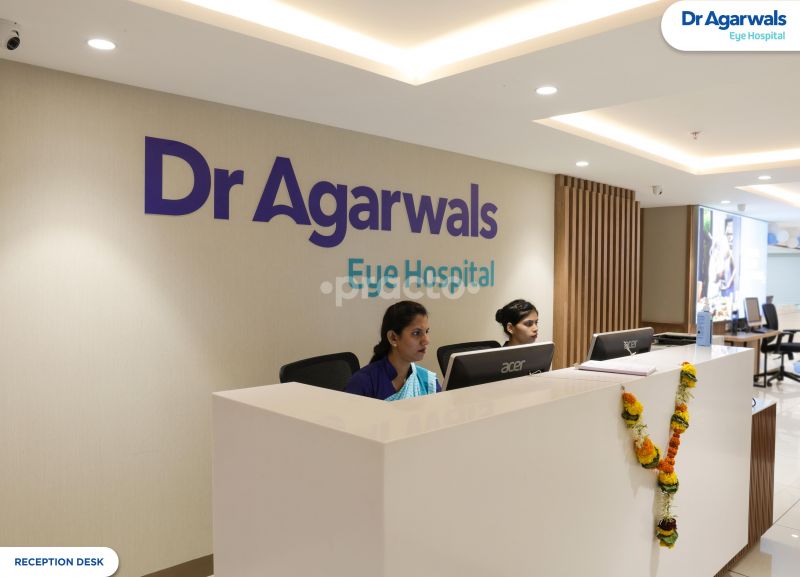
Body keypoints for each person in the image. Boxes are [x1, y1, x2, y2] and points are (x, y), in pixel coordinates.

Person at [345, 301, 440, 401]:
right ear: (393, 338)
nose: (426, 341)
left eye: (426, 331)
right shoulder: (363, 383)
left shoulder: (428, 382)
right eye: (416, 333)